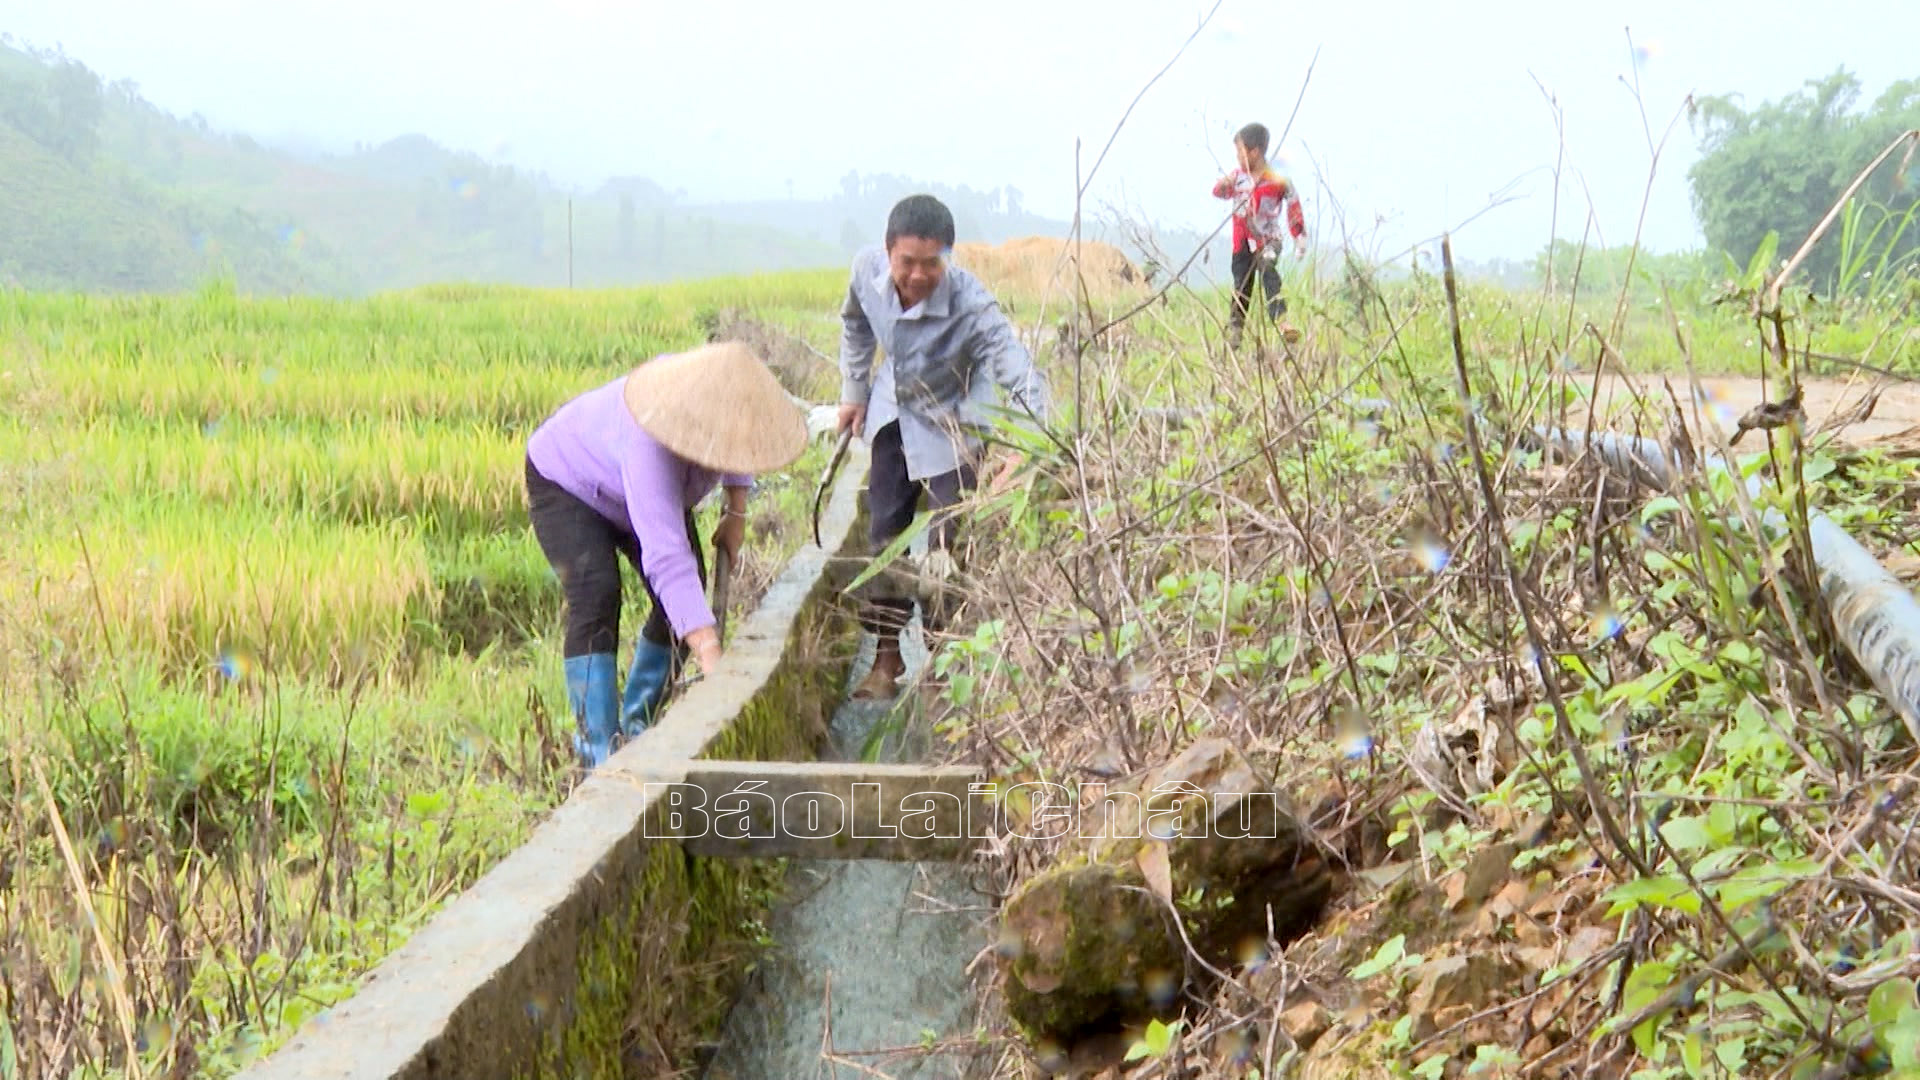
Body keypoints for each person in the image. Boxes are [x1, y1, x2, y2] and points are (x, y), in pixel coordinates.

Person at [524, 341, 807, 769]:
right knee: (598, 592)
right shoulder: (652, 435)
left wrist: (736, 511)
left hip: (632, 486)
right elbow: (666, 557)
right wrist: (712, 657)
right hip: (569, 481)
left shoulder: (724, 411)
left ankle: (639, 724)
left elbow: (739, 442)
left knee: (682, 605)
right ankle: (600, 751)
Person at [837, 194, 1051, 701]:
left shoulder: (970, 303)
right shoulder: (865, 272)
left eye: (930, 263)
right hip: (893, 412)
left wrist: (1030, 441)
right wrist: (853, 392)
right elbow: (854, 326)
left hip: (953, 420)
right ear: (888, 252)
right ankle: (886, 659)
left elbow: (1013, 363)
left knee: (944, 551)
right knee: (883, 537)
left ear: (947, 258)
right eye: (906, 262)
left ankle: (940, 662)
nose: (916, 275)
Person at [1211, 121, 1308, 347]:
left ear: (1254, 152)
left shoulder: (1277, 180)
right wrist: (1223, 184)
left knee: (1267, 268)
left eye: (1240, 152)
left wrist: (1299, 236)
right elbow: (1217, 192)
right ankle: (1235, 333)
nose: (1237, 157)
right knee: (1241, 287)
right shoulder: (1238, 179)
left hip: (1268, 241)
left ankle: (1283, 323)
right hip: (1242, 245)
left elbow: (1294, 205)